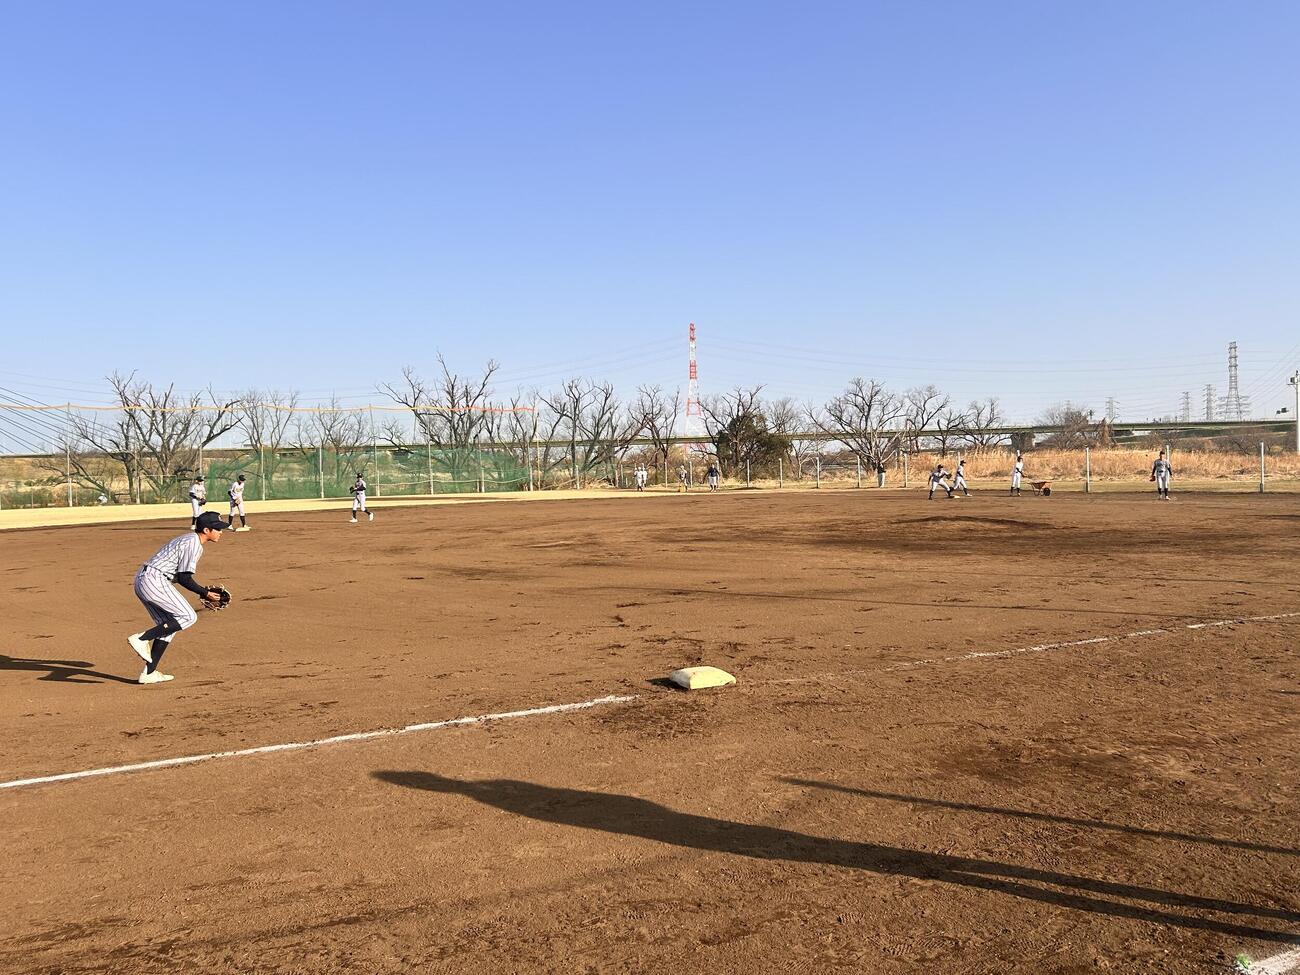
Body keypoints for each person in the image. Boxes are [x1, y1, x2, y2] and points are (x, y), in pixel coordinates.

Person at [126, 511, 228, 685]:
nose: (221, 532)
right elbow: (184, 578)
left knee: (168, 627)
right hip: (154, 580)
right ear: (206, 530)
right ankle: (141, 638)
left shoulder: (187, 538)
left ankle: (149, 673)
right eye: (217, 528)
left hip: (144, 580)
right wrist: (205, 592)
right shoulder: (194, 544)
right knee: (188, 616)